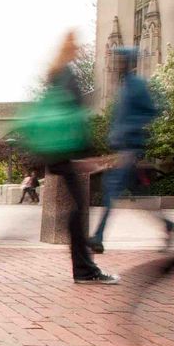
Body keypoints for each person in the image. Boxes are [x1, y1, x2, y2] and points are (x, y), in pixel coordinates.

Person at [43, 31, 119, 285]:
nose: (82, 47)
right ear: (72, 47)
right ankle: (84, 269)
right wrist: (88, 154)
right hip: (67, 152)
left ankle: (84, 266)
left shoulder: (56, 74)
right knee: (76, 212)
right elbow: (74, 117)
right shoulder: (67, 76)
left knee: (76, 210)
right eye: (78, 44)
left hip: (58, 152)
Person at [89, 47, 174, 254]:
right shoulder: (125, 87)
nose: (117, 63)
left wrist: (131, 129)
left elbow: (154, 110)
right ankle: (168, 225)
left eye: (121, 59)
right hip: (122, 149)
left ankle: (98, 237)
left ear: (129, 61)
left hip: (130, 150)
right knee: (139, 196)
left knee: (111, 192)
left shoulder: (137, 85)